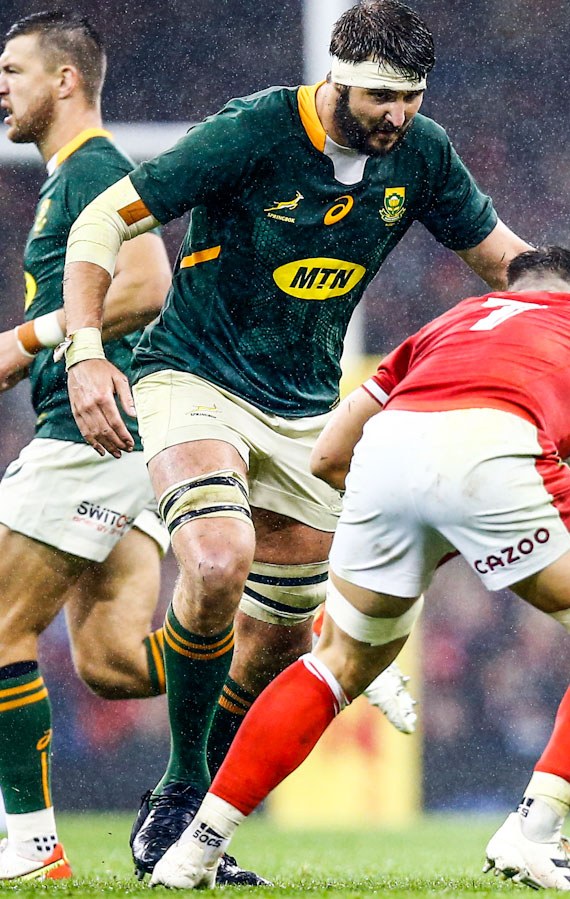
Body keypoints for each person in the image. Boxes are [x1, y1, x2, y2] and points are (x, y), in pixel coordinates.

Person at [56, 0, 531, 879]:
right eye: (382, 96)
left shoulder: (422, 155)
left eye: (413, 97)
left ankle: (193, 803)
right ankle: (180, 790)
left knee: (275, 638)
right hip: (196, 378)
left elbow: (506, 261)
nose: (398, 115)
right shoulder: (254, 131)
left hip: (310, 408)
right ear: (337, 76)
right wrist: (85, 350)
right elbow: (102, 222)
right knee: (216, 560)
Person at [148, 246, 570, 891]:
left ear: (512, 287)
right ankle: (535, 831)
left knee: (337, 663)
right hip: (501, 449)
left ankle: (194, 849)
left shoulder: (449, 323)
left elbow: (329, 456)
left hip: (387, 453)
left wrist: (432, 521)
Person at [0, 10, 171, 881]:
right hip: (123, 441)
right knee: (113, 662)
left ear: (65, 80)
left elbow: (146, 282)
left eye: (14, 70)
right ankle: (292, 637)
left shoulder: (95, 168)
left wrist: (26, 339)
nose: (1, 87)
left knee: (0, 625)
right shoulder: (70, 177)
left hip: (91, 434)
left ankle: (31, 844)